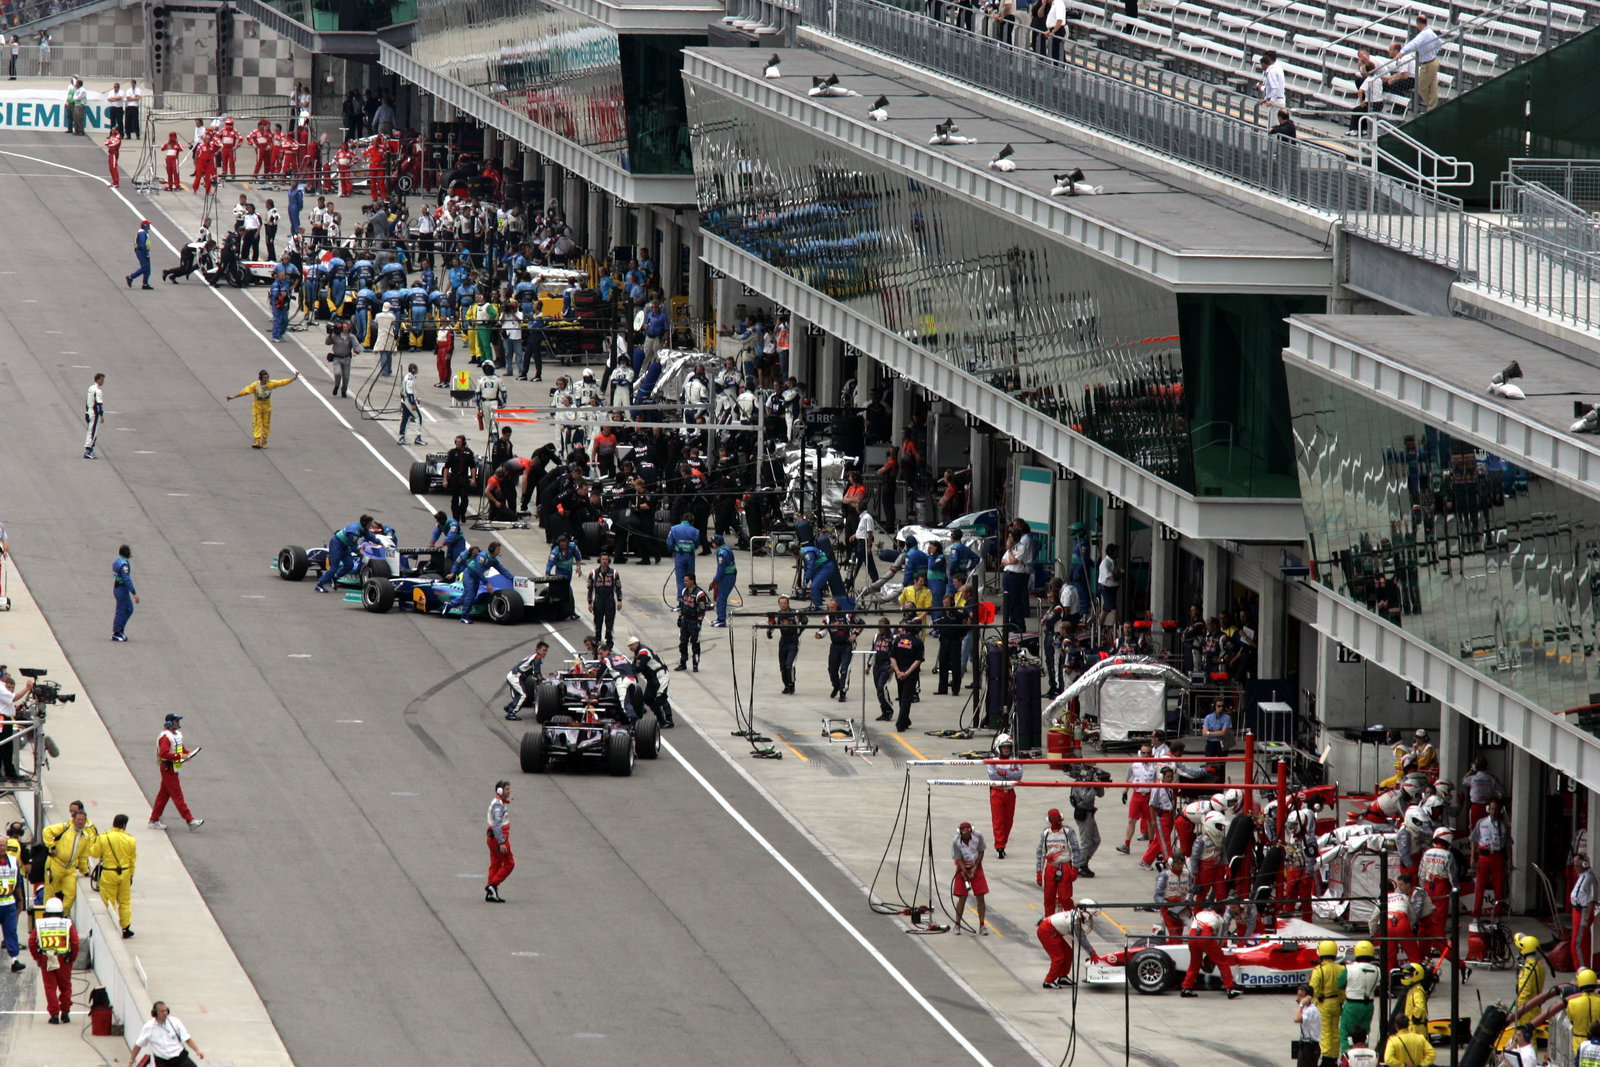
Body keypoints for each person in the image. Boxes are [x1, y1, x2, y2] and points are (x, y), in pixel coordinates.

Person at [150, 713, 204, 831]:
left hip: (174, 768)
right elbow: (163, 753)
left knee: (163, 795)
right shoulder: (165, 737)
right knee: (177, 795)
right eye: (176, 721)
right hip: (168, 768)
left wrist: (187, 753)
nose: (178, 723)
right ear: (170, 723)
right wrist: (181, 756)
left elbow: (179, 747)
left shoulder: (177, 735)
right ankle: (190, 820)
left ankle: (153, 819)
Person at [29, 896, 77, 1025]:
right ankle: (65, 1013)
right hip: (64, 959)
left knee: (50, 988)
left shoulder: (40, 924)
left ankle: (54, 1015)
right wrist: (72, 958)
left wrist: (37, 958)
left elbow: (32, 942)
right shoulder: (67, 924)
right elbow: (75, 942)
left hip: (47, 958)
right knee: (65, 987)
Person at [225, 369, 301, 449]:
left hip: (267, 408)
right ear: (260, 378)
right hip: (257, 408)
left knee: (266, 424)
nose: (266, 379)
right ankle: (257, 440)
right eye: (264, 378)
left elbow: (282, 382)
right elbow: (245, 392)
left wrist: (294, 378)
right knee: (257, 423)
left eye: (267, 377)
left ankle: (264, 441)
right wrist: (233, 397)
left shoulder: (271, 383)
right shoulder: (255, 385)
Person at [1179, 907, 1240, 998]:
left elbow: (1191, 925)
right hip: (1205, 935)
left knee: (1194, 964)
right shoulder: (1220, 919)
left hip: (1192, 935)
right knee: (1222, 962)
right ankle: (1230, 988)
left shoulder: (1200, 913)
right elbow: (1219, 940)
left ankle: (1186, 988)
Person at [93, 814, 137, 938]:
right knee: (124, 902)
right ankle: (125, 927)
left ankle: (110, 927)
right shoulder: (130, 840)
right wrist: (131, 875)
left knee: (108, 901)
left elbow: (95, 853)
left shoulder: (104, 837)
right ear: (124, 825)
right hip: (125, 872)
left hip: (108, 872)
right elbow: (132, 860)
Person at [1038, 900, 1100, 988]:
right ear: (1086, 912)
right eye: (1091, 915)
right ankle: (1049, 981)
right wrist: (1092, 953)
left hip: (1052, 930)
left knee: (1068, 952)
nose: (1090, 918)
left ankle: (1062, 976)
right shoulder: (1074, 920)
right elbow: (1081, 938)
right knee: (1059, 957)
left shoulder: (1075, 915)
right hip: (1047, 931)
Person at [41, 810, 92, 916]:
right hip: (55, 863)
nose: (80, 822)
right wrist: (52, 846)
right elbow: (46, 831)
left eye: (82, 820)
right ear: (74, 820)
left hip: (70, 869)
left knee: (71, 894)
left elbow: (83, 856)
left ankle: (63, 915)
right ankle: (47, 915)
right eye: (78, 819)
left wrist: (85, 871)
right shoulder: (65, 828)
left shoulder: (85, 836)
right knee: (49, 891)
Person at [448, 542, 512, 623]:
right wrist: (487, 584)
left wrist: (513, 578)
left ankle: (450, 605)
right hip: (469, 575)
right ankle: (464, 617)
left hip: (477, 578)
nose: (499, 551)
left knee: (469, 596)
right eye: (498, 549)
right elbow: (478, 571)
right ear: (492, 549)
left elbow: (502, 570)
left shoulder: (494, 560)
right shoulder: (481, 557)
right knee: (470, 595)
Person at [313, 514, 380, 593]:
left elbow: (370, 536)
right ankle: (320, 585)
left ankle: (335, 577)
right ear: (365, 523)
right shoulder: (354, 531)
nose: (370, 526)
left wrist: (380, 543)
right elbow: (353, 547)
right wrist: (363, 555)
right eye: (369, 524)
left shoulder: (363, 529)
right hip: (337, 544)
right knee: (334, 567)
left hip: (345, 546)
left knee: (349, 565)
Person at [130, 1001, 206, 1065]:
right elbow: (138, 1045)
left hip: (180, 1058)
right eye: (162, 1011)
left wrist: (197, 1050)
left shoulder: (175, 1022)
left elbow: (187, 1039)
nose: (165, 1013)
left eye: (166, 1010)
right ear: (155, 1013)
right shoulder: (148, 1027)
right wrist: (131, 1062)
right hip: (163, 1062)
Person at [1036, 807, 1081, 914]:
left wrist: (1075, 869)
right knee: (1048, 898)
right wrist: (1039, 872)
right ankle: (1050, 923)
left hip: (1065, 866)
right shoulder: (1046, 833)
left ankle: (1072, 920)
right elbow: (1040, 853)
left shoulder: (1068, 832)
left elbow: (1076, 851)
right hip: (1050, 867)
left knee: (1065, 898)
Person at [1471, 797, 1511, 916]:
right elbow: (1473, 840)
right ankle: (1476, 914)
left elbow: (1508, 844)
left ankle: (1497, 914)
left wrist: (1509, 860)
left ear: (1500, 811)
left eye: (1496, 809)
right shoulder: (1481, 822)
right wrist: (1472, 858)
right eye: (1492, 809)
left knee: (1499, 887)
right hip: (1484, 857)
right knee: (1480, 887)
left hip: (1498, 856)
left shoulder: (1503, 825)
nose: (1494, 811)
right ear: (1488, 809)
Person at [816, 598, 861, 701]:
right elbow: (823, 630)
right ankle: (836, 685)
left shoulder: (847, 615)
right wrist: (819, 635)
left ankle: (843, 692)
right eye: (829, 608)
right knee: (832, 669)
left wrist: (854, 634)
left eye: (833, 607)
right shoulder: (827, 618)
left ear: (838, 607)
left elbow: (861, 623)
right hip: (835, 646)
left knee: (845, 670)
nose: (831, 609)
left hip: (847, 645)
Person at [1340, 941, 1381, 1051]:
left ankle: (1347, 1059)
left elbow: (1339, 984)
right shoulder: (1377, 970)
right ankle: (1364, 1056)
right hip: (1368, 1006)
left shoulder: (1349, 968)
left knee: (1346, 1033)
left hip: (1352, 1005)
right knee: (1364, 1034)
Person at [1311, 939, 1346, 1067]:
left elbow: (1313, 989)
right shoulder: (1341, 969)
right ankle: (1334, 1058)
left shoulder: (1319, 970)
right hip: (1337, 1003)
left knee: (1325, 1032)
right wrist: (1341, 1002)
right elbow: (1343, 988)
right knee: (1335, 1032)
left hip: (1324, 1003)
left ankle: (1326, 1059)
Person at [988, 734, 1023, 858]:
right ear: (998, 748)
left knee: (1008, 822)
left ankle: (1003, 843)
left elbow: (1018, 776)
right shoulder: (992, 761)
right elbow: (993, 776)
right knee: (998, 822)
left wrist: (1003, 772)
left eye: (1008, 747)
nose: (1006, 749)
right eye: (1004, 747)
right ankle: (999, 846)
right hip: (996, 792)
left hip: (1010, 793)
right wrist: (1009, 773)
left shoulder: (1016, 760)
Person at [951, 821, 989, 934]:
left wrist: (976, 866)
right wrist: (964, 872)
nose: (967, 835)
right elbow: (958, 859)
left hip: (976, 866)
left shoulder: (978, 836)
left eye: (969, 833)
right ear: (961, 834)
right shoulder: (956, 841)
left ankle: (982, 925)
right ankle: (957, 925)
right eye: (965, 834)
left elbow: (981, 851)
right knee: (962, 897)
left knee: (980, 895)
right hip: (962, 868)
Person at [1398, 14, 1441, 112]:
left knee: (1421, 86)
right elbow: (1439, 42)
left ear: (1418, 24)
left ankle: (1430, 105)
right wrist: (1434, 51)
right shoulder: (1430, 32)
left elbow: (1414, 43)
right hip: (1433, 61)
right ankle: (1432, 107)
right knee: (1433, 86)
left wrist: (1402, 51)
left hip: (1428, 64)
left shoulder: (1423, 34)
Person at [1119, 742, 1155, 853]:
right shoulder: (1135, 765)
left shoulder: (1155, 765)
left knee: (1150, 822)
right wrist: (1125, 791)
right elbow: (1129, 778)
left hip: (1149, 796)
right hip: (1137, 796)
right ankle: (1126, 844)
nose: (1146, 755)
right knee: (1131, 821)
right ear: (1140, 753)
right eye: (1144, 753)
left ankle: (1151, 845)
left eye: (1148, 753)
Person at [1070, 767, 1106, 877]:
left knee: (1096, 840)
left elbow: (1101, 794)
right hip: (1083, 813)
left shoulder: (1089, 783)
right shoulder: (1079, 783)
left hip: (1089, 813)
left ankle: (1083, 862)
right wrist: (1093, 787)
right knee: (1086, 842)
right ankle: (1079, 866)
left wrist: (1098, 784)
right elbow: (1086, 798)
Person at [767, 597, 806, 694]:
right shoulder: (778, 615)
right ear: (779, 604)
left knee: (789, 665)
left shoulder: (795, 614)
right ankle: (786, 685)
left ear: (788, 603)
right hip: (783, 640)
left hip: (793, 640)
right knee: (782, 666)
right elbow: (772, 624)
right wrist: (769, 632)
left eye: (785, 603)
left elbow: (805, 621)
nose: (783, 605)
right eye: (781, 603)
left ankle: (792, 684)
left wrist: (799, 632)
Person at [1000, 519, 1033, 636]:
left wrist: (1009, 551)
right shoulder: (1012, 549)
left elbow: (1014, 561)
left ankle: (1019, 624)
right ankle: (1012, 623)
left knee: (1016, 600)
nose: (1008, 540)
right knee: (1008, 601)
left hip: (1016, 576)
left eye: (1010, 537)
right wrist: (1009, 556)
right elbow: (1003, 561)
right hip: (1008, 575)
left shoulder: (1021, 547)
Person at [890, 621, 924, 732]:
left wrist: (898, 671)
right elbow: (918, 660)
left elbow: (892, 657)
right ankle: (901, 722)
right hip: (910, 674)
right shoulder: (918, 642)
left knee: (901, 696)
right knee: (906, 698)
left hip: (898, 673)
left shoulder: (898, 640)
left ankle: (905, 720)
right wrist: (907, 673)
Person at [503, 641, 548, 720]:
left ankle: (509, 707)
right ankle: (511, 713)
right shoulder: (537, 658)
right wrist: (541, 679)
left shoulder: (533, 656)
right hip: (515, 677)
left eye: (546, 651)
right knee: (523, 695)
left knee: (520, 694)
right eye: (543, 650)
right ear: (538, 649)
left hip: (514, 676)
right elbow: (536, 672)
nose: (545, 652)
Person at [675, 574, 711, 672]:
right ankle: (683, 663)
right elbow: (682, 605)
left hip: (694, 621)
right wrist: (680, 617)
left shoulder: (700, 594)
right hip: (685, 620)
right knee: (683, 642)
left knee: (695, 643)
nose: (684, 582)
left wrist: (699, 622)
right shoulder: (684, 591)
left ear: (692, 581)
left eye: (686, 580)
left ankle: (695, 665)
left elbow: (702, 609)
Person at [485, 779, 513, 903]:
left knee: (495, 864)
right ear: (500, 791)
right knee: (509, 863)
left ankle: (492, 893)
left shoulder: (498, 802)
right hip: (498, 839)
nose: (509, 791)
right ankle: (492, 885)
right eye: (507, 789)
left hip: (493, 838)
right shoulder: (498, 805)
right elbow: (497, 824)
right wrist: (501, 842)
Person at [546, 533, 583, 621]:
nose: (563, 545)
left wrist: (578, 568)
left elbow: (578, 557)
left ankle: (568, 610)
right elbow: (549, 564)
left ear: (567, 542)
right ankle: (572, 611)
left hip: (569, 571)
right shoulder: (555, 552)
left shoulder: (573, 547)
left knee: (566, 591)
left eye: (564, 543)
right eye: (561, 544)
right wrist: (547, 574)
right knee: (568, 590)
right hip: (560, 573)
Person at [587, 553, 621, 648]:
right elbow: (590, 589)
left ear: (608, 561)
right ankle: (597, 640)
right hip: (598, 600)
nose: (604, 561)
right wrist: (589, 602)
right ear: (600, 560)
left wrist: (619, 600)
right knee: (598, 622)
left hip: (609, 600)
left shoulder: (614, 573)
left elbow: (618, 588)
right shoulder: (593, 573)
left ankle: (609, 641)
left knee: (609, 622)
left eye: (606, 559)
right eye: (603, 559)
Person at [0, 826, 21, 972]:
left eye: (4, 845)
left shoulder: (13, 861)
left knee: (11, 931)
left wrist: (20, 899)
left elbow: (18, 880)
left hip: (9, 902)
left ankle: (14, 960)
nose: (2, 848)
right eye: (0, 845)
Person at [1514, 932, 1545, 1024]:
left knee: (1525, 1037)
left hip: (1526, 1011)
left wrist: (1516, 1010)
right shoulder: (1539, 966)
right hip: (1536, 1007)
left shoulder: (1527, 969)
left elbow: (1524, 993)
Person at [668, 513, 700, 597]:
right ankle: (691, 599)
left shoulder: (674, 529)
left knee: (681, 579)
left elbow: (669, 544)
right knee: (690, 578)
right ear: (691, 521)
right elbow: (697, 544)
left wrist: (673, 550)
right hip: (690, 556)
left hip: (679, 556)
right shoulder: (696, 531)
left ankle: (681, 600)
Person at [112, 543, 138, 641]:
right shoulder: (124, 565)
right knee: (122, 610)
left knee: (129, 609)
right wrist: (134, 593)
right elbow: (127, 579)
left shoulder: (117, 561)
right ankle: (116, 632)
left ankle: (120, 630)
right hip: (121, 589)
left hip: (118, 587)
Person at [326, 321, 358, 398]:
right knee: (337, 373)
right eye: (344, 327)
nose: (345, 329)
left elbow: (356, 345)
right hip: (337, 358)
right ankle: (337, 385)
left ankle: (344, 390)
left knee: (346, 377)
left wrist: (356, 351)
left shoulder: (351, 337)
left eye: (347, 327)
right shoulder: (335, 335)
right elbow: (327, 342)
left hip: (347, 358)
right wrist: (330, 334)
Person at [711, 534, 736, 627]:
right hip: (730, 575)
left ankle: (721, 620)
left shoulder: (721, 554)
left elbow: (720, 570)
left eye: (713, 542)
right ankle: (719, 618)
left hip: (727, 577)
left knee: (721, 598)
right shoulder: (727, 549)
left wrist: (715, 581)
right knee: (721, 597)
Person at [396, 363, 424, 445]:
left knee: (406, 418)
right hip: (408, 401)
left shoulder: (406, 376)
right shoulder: (410, 379)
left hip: (404, 401)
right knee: (419, 417)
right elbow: (409, 393)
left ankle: (402, 437)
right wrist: (413, 404)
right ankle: (418, 437)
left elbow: (403, 391)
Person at [1295, 985, 1323, 1067]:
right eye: (1298, 995)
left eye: (1301, 996)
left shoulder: (1311, 1011)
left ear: (1307, 998)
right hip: (1305, 1046)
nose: (1298, 997)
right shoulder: (1306, 1009)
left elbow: (1296, 1019)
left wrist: (1301, 1005)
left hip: (1310, 1048)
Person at [1097, 542, 1123, 627]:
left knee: (1105, 609)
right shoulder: (1105, 563)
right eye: (1116, 552)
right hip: (1106, 588)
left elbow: (1122, 572)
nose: (1118, 553)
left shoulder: (1115, 562)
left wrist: (1118, 575)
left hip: (1113, 589)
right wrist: (1118, 575)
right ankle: (1115, 627)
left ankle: (1099, 626)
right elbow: (1112, 578)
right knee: (1114, 609)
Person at [125, 219, 155, 290]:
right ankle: (131, 277)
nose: (149, 226)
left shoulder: (143, 232)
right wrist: (146, 254)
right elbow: (142, 244)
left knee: (148, 269)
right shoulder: (142, 233)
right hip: (142, 252)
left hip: (142, 251)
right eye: (148, 225)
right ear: (145, 226)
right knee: (145, 267)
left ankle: (145, 283)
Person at [84, 371, 105, 459]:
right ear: (98, 380)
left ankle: (89, 449)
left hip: (89, 411)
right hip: (94, 413)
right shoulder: (98, 391)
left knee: (90, 430)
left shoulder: (91, 388)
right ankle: (89, 450)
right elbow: (99, 404)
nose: (103, 382)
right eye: (102, 380)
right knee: (93, 432)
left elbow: (87, 401)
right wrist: (101, 415)